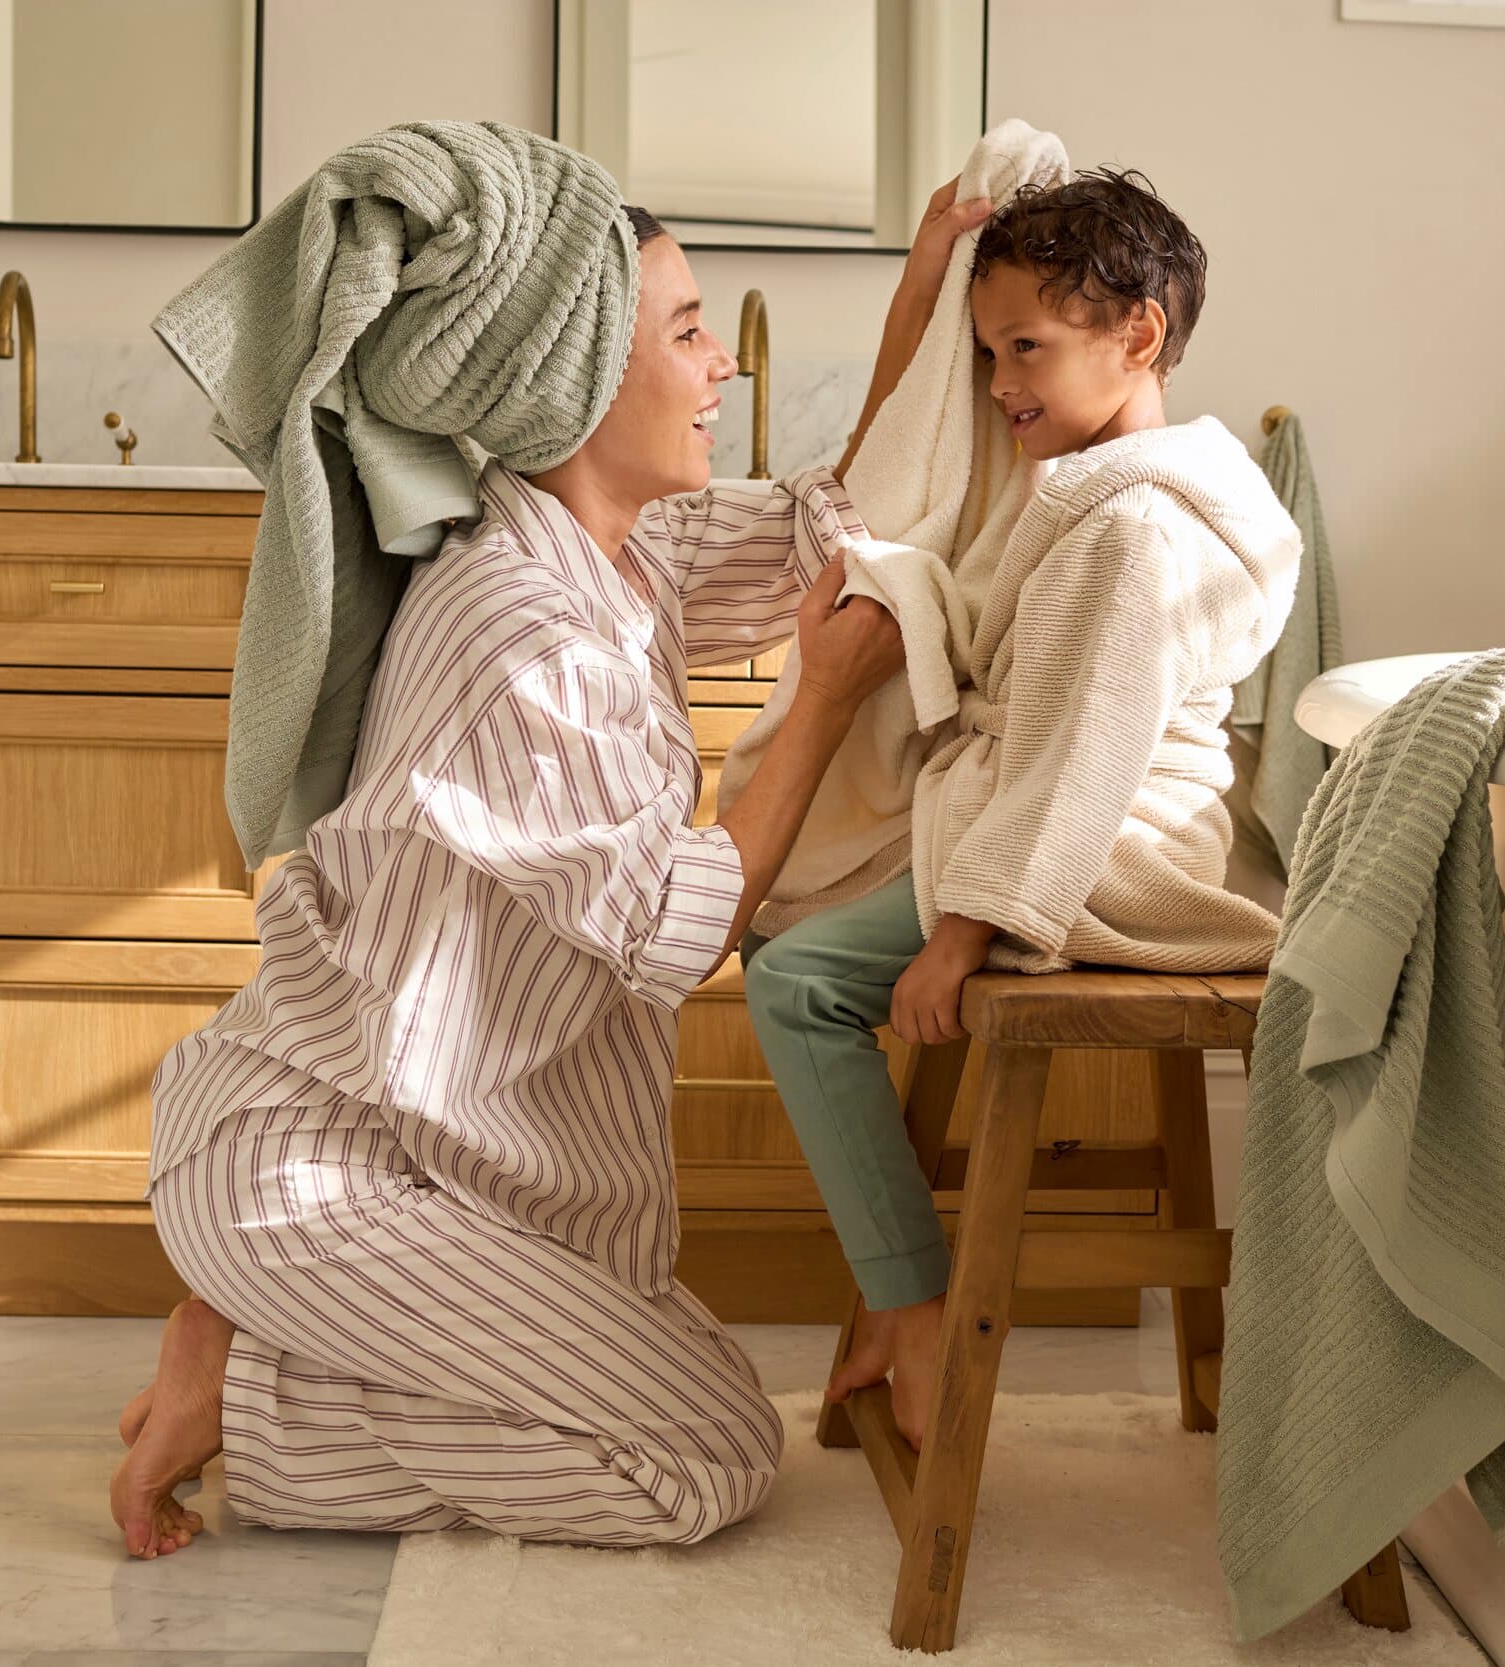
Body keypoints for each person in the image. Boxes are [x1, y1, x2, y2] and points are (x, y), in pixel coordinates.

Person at [109, 181, 996, 1559]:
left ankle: (259, 1352)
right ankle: (253, 1382)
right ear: (573, 379)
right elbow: (674, 928)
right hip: (324, 1171)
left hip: (448, 1162)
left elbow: (831, 523)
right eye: (690, 333)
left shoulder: (613, 550)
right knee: (704, 1454)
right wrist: (821, 701)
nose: (726, 366)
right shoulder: (527, 629)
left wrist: (927, 292)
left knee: (682, 1397)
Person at [739, 169, 1304, 1446]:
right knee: (783, 941)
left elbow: (1081, 760)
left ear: (1139, 336)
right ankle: (897, 1286)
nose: (999, 385)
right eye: (990, 351)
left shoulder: (1129, 535)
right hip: (1057, 817)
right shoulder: (1093, 490)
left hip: (1111, 851)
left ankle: (916, 1304)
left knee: (789, 981)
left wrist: (963, 929)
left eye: (1027, 350)